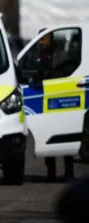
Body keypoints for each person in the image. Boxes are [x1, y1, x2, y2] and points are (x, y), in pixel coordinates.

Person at [37, 29, 75, 181]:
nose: (41, 42)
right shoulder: (43, 57)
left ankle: (69, 172)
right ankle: (51, 172)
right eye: (41, 39)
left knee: (66, 137)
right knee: (49, 137)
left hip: (62, 102)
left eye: (44, 39)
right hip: (49, 102)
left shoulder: (59, 56)